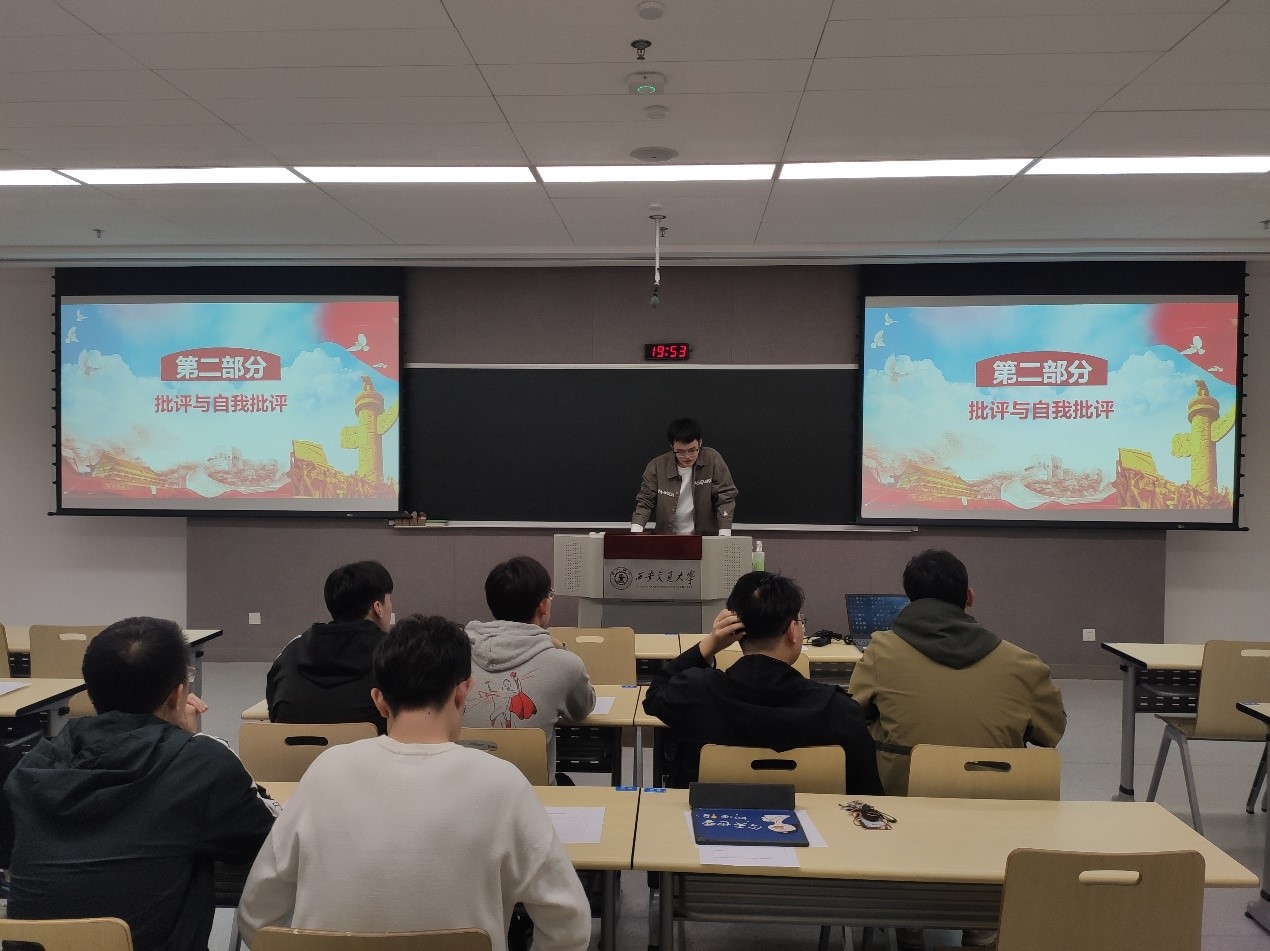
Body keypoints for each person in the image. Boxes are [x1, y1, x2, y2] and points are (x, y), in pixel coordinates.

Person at [238, 614, 592, 951]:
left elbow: (257, 915)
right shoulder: (504, 784)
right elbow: (569, 922)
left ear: (379, 701)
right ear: (463, 693)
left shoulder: (325, 772)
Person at [4, 617, 276, 951]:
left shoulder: (31, 768)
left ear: (90, 691)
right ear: (177, 695)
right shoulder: (202, 763)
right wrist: (190, 742)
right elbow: (268, 837)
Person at [848, 548, 1068, 796]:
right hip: (996, 803)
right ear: (969, 597)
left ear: (910, 600)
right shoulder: (1024, 664)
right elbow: (1052, 731)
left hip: (905, 802)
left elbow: (854, 716)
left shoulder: (880, 651)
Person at [643, 571, 883, 793]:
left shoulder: (697, 693)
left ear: (735, 629)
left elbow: (654, 695)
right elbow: (869, 796)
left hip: (708, 820)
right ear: (792, 631)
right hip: (811, 825)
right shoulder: (839, 711)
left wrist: (711, 644)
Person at [463, 556, 595, 779]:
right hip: (534, 793)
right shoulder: (565, 664)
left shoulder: (453, 653)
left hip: (467, 789)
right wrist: (561, 648)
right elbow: (582, 709)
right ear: (543, 605)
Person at [267, 559, 394, 732]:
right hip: (370, 748)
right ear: (378, 607)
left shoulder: (292, 651)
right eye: (389, 600)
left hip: (296, 749)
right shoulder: (395, 655)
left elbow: (274, 710)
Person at [631, 417, 738, 535]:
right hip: (666, 537)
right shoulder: (657, 466)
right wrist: (635, 533)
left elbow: (725, 497)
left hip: (704, 536)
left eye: (692, 450)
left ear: (700, 443)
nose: (687, 457)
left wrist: (724, 534)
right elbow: (645, 501)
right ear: (672, 446)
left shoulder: (712, 459)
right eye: (680, 452)